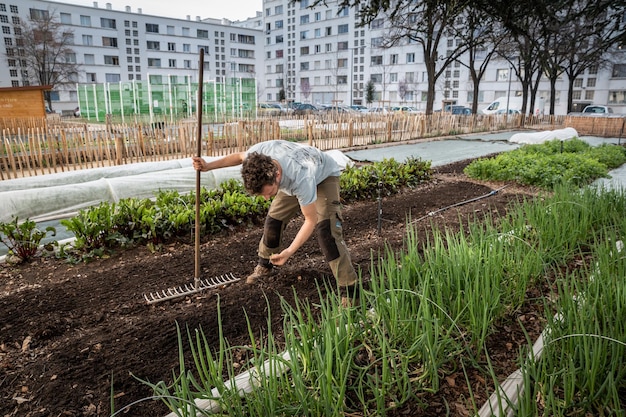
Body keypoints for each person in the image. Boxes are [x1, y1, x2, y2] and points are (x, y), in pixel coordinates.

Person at [192, 140, 360, 305]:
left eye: (269, 192)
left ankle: (350, 290)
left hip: (324, 175)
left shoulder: (300, 176)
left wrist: (289, 251)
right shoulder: (258, 156)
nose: (266, 198)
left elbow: (310, 220)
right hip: (293, 175)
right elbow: (238, 157)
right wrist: (208, 166)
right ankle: (264, 266)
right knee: (273, 221)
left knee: (327, 232)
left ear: (276, 175)